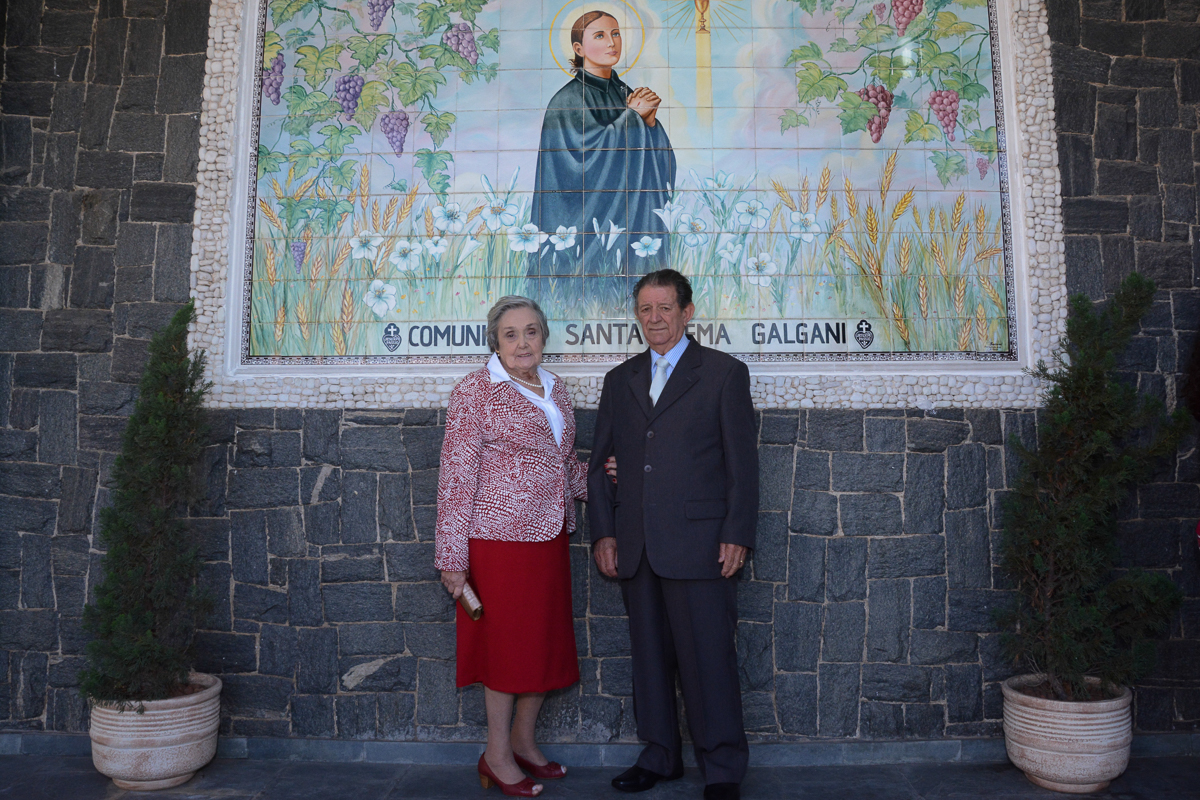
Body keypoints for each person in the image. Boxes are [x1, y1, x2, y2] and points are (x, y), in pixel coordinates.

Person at [587, 270, 758, 800]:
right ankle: (660, 755)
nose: (655, 319)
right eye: (645, 309)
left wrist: (737, 532)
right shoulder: (621, 380)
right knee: (649, 660)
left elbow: (742, 464)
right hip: (637, 546)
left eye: (665, 308)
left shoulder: (724, 373)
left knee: (710, 659)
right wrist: (604, 534)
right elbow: (599, 466)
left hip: (702, 545)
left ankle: (723, 768)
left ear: (687, 312)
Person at [435, 296, 588, 798]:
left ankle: (523, 741)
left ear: (544, 336)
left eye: (531, 332)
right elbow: (456, 480)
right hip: (496, 543)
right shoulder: (475, 393)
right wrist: (452, 560)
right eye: (511, 334)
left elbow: (562, 464)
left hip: (548, 538)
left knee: (541, 644)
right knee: (504, 652)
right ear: (494, 342)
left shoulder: (556, 389)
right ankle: (496, 754)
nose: (522, 343)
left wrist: (611, 480)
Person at [528, 10, 677, 310]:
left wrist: (649, 125)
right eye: (600, 35)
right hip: (579, 223)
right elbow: (580, 164)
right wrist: (634, 118)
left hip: (630, 220)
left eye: (616, 33)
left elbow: (660, 164)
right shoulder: (567, 101)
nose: (612, 42)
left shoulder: (625, 93)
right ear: (579, 50)